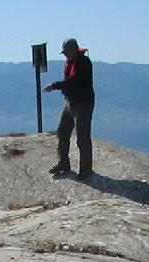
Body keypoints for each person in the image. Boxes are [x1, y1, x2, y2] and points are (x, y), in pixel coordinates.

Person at [43, 38, 95, 180]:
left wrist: (54, 85)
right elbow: (69, 83)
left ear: (74, 49)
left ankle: (86, 169)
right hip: (70, 102)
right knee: (62, 131)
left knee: (82, 137)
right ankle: (63, 163)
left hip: (83, 103)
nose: (65, 54)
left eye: (66, 51)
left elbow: (74, 82)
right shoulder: (70, 62)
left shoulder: (84, 63)